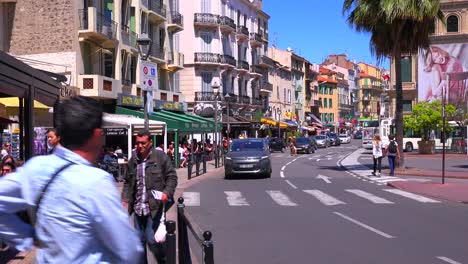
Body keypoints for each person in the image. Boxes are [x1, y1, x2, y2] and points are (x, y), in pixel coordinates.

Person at [0, 96, 143, 263]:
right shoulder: (97, 181)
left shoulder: (35, 168)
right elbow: (128, 248)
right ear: (97, 134)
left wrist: (26, 237)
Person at [122, 130, 178, 264]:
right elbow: (127, 181)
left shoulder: (160, 157)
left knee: (152, 240)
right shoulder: (133, 159)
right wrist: (125, 198)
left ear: (150, 143)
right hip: (137, 209)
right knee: (139, 244)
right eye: (137, 143)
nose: (139, 146)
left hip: (154, 208)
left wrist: (166, 193)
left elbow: (172, 177)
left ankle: (165, 260)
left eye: (143, 143)